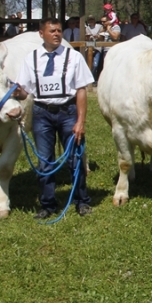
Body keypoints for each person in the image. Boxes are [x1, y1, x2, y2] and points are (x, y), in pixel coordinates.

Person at [12, 18, 95, 218]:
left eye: (59, 31)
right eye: (52, 31)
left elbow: (81, 90)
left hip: (68, 111)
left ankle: (82, 201)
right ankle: (48, 204)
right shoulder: (31, 59)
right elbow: (25, 92)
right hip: (42, 113)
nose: (57, 34)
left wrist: (80, 121)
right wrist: (17, 92)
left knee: (75, 158)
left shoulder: (73, 57)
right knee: (44, 161)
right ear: (42, 34)